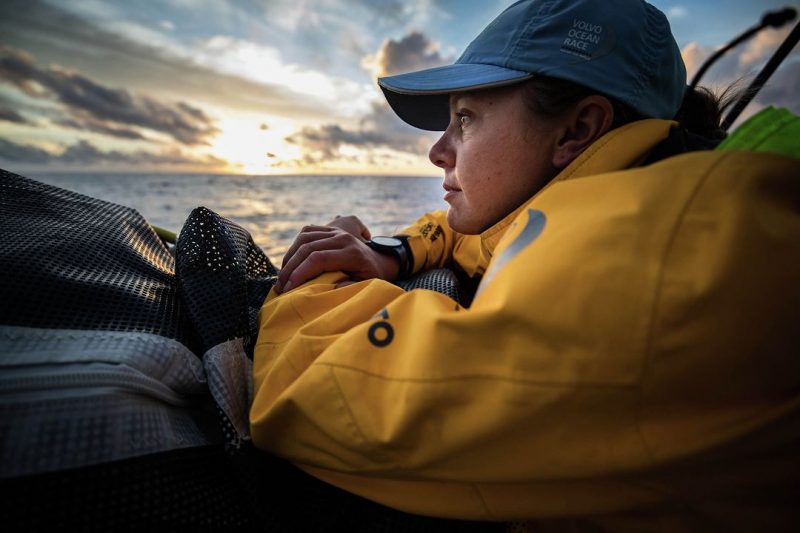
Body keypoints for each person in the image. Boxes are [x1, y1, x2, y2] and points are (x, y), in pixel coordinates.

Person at [250, 0, 800, 529]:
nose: (438, 151)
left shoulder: (647, 271)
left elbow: (308, 395)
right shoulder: (615, 197)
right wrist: (393, 252)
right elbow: (471, 234)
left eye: (464, 119)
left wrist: (319, 275)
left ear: (576, 131)